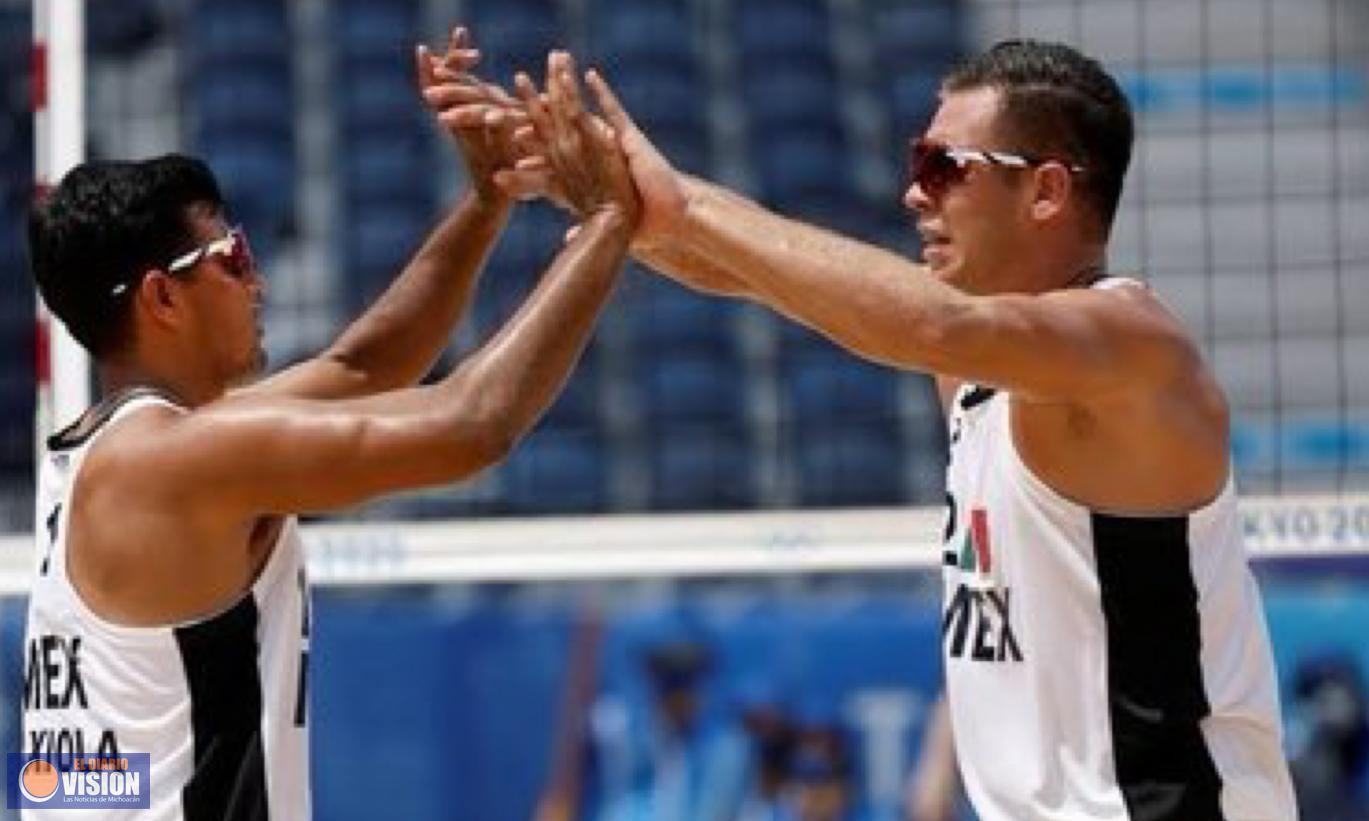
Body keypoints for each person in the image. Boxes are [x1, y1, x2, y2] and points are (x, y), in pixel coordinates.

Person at [454, 40, 1300, 820]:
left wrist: (679, 204)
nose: (913, 191)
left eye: (943, 166)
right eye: (914, 161)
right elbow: (753, 275)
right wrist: (606, 196)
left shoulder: (1131, 349)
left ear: (1046, 190)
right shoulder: (976, 368)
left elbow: (929, 323)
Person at [20, 29, 638, 819]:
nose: (256, 279)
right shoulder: (171, 462)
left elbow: (363, 368)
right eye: (231, 256)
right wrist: (609, 218)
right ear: (161, 298)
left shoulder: (115, 454)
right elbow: (473, 424)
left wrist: (487, 202)